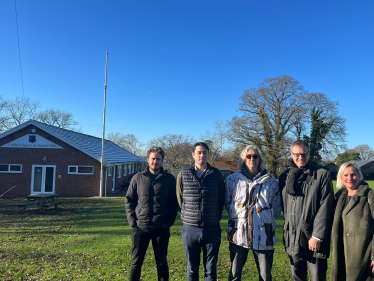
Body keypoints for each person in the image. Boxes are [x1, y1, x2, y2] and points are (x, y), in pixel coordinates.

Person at [278, 140, 334, 281]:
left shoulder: (322, 175)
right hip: (292, 235)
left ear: (309, 154)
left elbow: (326, 207)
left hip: (313, 237)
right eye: (297, 154)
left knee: (317, 277)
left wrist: (317, 236)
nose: (300, 158)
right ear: (291, 155)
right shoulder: (285, 177)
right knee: (297, 276)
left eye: (304, 154)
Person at [225, 145, 281, 281]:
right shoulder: (232, 180)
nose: (252, 159)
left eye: (255, 156)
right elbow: (227, 204)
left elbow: (277, 208)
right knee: (234, 274)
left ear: (260, 159)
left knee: (265, 275)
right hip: (239, 234)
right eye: (248, 156)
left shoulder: (271, 181)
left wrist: (262, 214)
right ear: (244, 159)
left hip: (263, 235)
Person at [125, 146, 178, 281]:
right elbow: (129, 200)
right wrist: (133, 222)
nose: (155, 162)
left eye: (158, 159)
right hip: (140, 228)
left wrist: (168, 223)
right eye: (153, 159)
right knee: (136, 262)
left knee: (162, 263)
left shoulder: (169, 179)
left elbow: (174, 203)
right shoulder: (137, 178)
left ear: (162, 161)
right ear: (148, 160)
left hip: (161, 228)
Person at [176, 142, 225, 281]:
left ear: (208, 155)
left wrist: (215, 215)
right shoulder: (183, 174)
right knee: (192, 269)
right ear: (193, 155)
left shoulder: (216, 174)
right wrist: (188, 216)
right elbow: (180, 198)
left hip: (212, 228)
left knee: (210, 270)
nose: (201, 155)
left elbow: (221, 198)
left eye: (204, 152)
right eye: (199, 152)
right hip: (190, 229)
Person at [330, 162, 374, 281]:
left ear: (359, 175)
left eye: (353, 175)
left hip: (363, 254)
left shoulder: (370, 195)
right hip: (342, 251)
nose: (349, 178)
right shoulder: (339, 196)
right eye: (346, 175)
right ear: (341, 177)